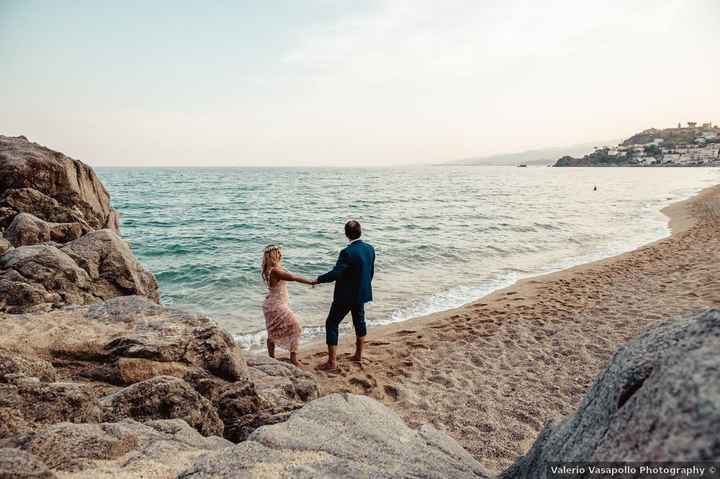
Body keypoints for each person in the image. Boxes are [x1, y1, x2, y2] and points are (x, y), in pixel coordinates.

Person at [316, 220, 376, 370]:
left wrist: (318, 280)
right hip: (361, 293)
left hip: (345, 296)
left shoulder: (347, 252)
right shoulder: (370, 249)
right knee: (360, 322)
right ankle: (358, 355)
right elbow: (370, 272)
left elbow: (336, 273)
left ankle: (332, 362)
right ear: (360, 232)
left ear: (346, 234)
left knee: (331, 323)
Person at [261, 244, 316, 367]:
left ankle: (272, 358)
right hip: (276, 305)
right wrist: (310, 281)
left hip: (271, 303)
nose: (281, 255)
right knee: (296, 327)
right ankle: (293, 359)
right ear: (274, 256)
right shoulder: (275, 271)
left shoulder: (268, 269)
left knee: (272, 332)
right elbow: (293, 277)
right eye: (279, 253)